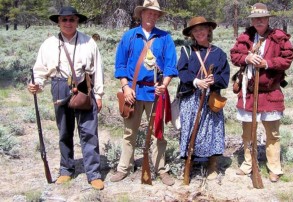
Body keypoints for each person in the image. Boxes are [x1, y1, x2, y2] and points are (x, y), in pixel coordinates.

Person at [27, 6, 105, 190]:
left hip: (84, 87)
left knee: (89, 132)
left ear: (77, 21)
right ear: (58, 22)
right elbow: (40, 70)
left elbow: (98, 69)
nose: (68, 23)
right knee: (64, 131)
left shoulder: (88, 42)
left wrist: (99, 95)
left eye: (72, 19)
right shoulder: (48, 44)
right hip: (59, 86)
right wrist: (36, 84)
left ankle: (93, 173)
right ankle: (66, 169)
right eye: (64, 20)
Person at [111, 0, 178, 186]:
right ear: (141, 14)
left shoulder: (165, 38)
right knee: (129, 132)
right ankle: (123, 168)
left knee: (158, 133)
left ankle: (161, 169)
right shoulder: (129, 36)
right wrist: (125, 87)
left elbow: (171, 66)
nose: (152, 16)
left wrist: (163, 85)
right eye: (149, 12)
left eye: (155, 14)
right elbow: (121, 65)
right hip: (133, 91)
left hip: (156, 92)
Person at [230, 3, 293, 182]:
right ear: (252, 20)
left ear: (267, 19)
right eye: (255, 19)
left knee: (272, 133)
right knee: (247, 132)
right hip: (249, 92)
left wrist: (267, 63)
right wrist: (247, 58)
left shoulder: (279, 37)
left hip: (270, 92)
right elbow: (234, 56)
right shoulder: (246, 37)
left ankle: (274, 167)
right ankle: (248, 163)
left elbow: (288, 58)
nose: (259, 21)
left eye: (262, 18)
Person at [177, 16, 230, 180]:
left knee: (212, 130)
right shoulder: (186, 51)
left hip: (211, 99)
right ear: (192, 33)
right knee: (190, 130)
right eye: (195, 30)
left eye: (202, 29)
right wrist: (196, 81)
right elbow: (182, 71)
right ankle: (189, 163)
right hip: (191, 98)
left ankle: (212, 164)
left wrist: (214, 80)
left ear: (209, 30)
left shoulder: (219, 53)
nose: (199, 32)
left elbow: (225, 78)